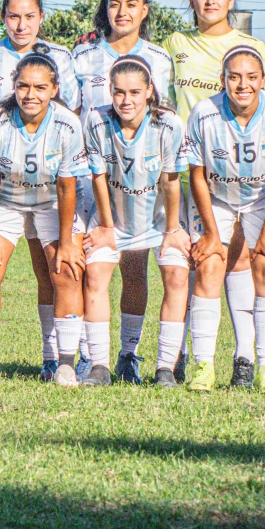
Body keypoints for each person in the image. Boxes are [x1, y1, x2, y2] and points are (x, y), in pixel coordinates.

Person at [163, 0, 265, 388]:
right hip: (188, 171)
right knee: (189, 262)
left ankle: (245, 358)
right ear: (191, 0)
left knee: (238, 261)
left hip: (242, 175)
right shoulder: (176, 43)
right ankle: (180, 355)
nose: (210, 0)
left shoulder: (251, 47)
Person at [0, 0, 80, 383]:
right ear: (13, 87)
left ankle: (63, 362)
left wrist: (66, 240)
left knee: (63, 269)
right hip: (8, 201)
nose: (31, 94)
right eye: (24, 87)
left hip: (50, 202)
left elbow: (68, 187)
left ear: (55, 89)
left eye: (40, 87)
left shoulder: (68, 123)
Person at [71, 0, 174, 383]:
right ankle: (86, 355)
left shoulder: (160, 58)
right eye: (114, 3)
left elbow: (162, 117)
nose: (122, 11)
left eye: (131, 4)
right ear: (105, 9)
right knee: (88, 269)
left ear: (144, 10)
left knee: (135, 270)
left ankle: (128, 355)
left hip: (140, 185)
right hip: (92, 181)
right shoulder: (83, 56)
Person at [183, 46, 265, 394]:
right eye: (234, 77)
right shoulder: (204, 113)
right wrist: (208, 232)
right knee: (208, 265)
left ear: (264, 81)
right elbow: (196, 174)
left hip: (261, 198)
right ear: (222, 80)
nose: (242, 85)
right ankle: (203, 366)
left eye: (251, 77)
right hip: (216, 195)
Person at [80, 56, 190, 387]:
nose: (126, 100)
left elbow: (171, 181)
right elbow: (98, 177)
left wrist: (172, 230)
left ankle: (163, 368)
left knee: (175, 274)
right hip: (113, 218)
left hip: (158, 220)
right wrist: (106, 228)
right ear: (110, 92)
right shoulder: (97, 120)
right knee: (96, 276)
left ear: (149, 92)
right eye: (119, 93)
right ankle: (99, 366)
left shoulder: (169, 124)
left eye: (135, 92)